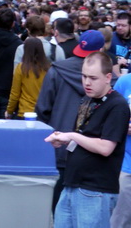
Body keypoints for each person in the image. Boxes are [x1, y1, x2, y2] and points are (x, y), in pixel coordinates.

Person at [47, 52, 129, 228]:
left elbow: (106, 147)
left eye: (93, 78)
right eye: (84, 76)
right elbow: (86, 137)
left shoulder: (117, 105)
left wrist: (72, 136)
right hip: (71, 183)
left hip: (95, 189)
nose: (87, 82)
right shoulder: (88, 99)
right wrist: (64, 140)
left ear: (108, 77)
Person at [37, 28, 108, 209]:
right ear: (101, 50)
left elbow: (42, 109)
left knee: (59, 207)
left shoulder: (56, 70)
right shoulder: (108, 80)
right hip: (93, 152)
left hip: (60, 147)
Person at [109, 60, 131, 228]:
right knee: (119, 220)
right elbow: (109, 113)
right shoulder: (125, 82)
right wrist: (123, 124)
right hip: (126, 163)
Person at [6, 36, 51, 118]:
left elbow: (15, 93)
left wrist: (9, 111)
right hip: (43, 112)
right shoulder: (49, 69)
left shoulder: (21, 68)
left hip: (25, 112)